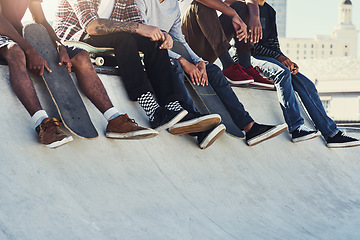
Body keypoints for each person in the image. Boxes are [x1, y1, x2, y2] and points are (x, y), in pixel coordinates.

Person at [54, 0, 223, 148]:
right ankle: (153, 111)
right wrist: (139, 28)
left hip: (111, 40)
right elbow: (92, 26)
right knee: (124, 38)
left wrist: (161, 35)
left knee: (153, 40)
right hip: (76, 38)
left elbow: (137, 23)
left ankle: (174, 108)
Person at [0, 0, 161, 149]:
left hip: (20, 36)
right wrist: (28, 49)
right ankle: (43, 123)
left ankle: (114, 119)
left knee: (81, 56)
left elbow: (40, 19)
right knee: (15, 52)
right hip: (7, 37)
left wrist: (59, 46)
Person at [136, 0, 289, 146]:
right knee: (175, 67)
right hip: (153, 57)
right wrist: (182, 60)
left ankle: (249, 126)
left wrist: (199, 60)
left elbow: (179, 39)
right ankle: (193, 119)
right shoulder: (142, 2)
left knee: (213, 70)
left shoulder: (173, 4)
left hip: (179, 49)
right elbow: (144, 39)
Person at [249, 0, 360, 148]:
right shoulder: (247, 7)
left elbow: (274, 44)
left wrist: (287, 61)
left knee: (306, 83)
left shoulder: (270, 11)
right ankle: (296, 128)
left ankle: (331, 134)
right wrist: (279, 59)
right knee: (282, 73)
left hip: (269, 58)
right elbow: (251, 45)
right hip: (249, 58)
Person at [179, 0, 274, 89]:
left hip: (207, 51)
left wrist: (254, 17)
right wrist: (233, 14)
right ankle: (228, 65)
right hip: (184, 49)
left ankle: (246, 67)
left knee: (241, 6)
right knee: (201, 4)